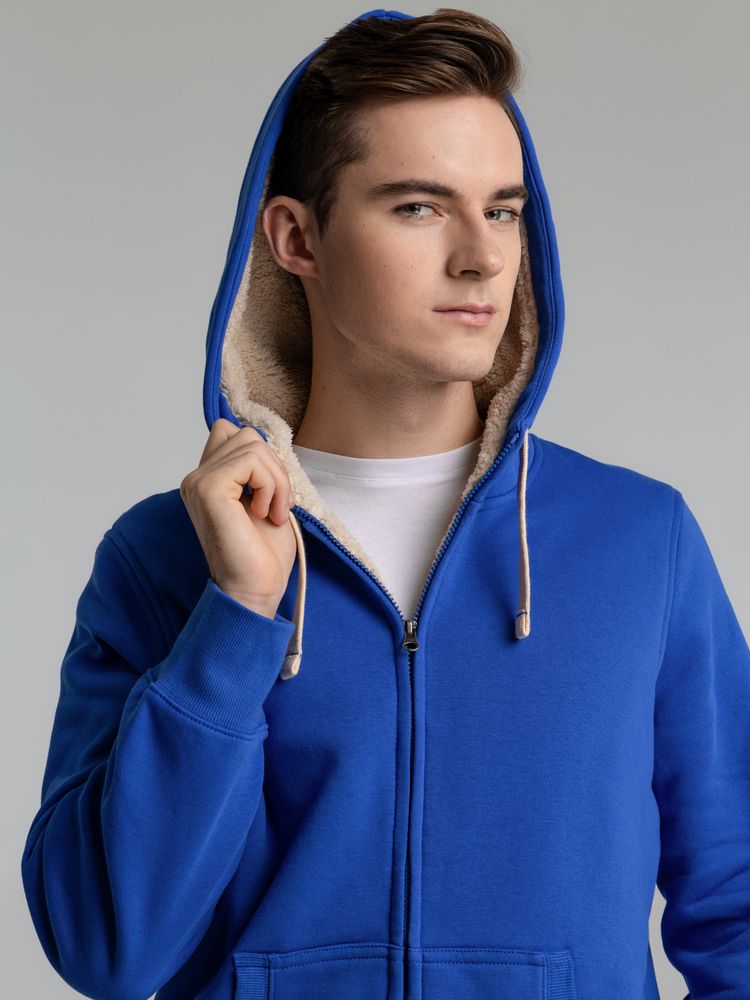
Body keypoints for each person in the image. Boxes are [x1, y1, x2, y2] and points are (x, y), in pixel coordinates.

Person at [20, 8, 750, 1000]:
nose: (482, 257)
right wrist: (235, 617)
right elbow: (107, 948)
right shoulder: (165, 557)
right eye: (418, 207)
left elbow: (737, 902)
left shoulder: (637, 542)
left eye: (503, 211)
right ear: (297, 237)